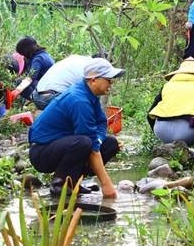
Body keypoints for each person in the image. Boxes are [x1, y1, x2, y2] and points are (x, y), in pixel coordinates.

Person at [28, 58, 125, 198]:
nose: (111, 84)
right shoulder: (79, 99)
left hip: (62, 145)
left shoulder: (90, 94)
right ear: (93, 80)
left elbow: (101, 122)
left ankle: (73, 182)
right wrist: (106, 184)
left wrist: (99, 139)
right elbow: (90, 144)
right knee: (84, 143)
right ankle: (60, 186)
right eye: (109, 80)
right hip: (42, 152)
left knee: (109, 144)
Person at [148, 58, 194, 156]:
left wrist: (159, 133)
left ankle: (169, 148)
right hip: (186, 133)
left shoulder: (167, 86)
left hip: (161, 131)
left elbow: (150, 114)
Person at [9, 36, 54, 105]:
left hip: (50, 92)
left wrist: (17, 90)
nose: (23, 56)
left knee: (19, 82)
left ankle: (42, 103)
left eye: (23, 54)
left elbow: (30, 77)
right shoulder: (44, 54)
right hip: (52, 89)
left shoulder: (38, 59)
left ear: (26, 51)